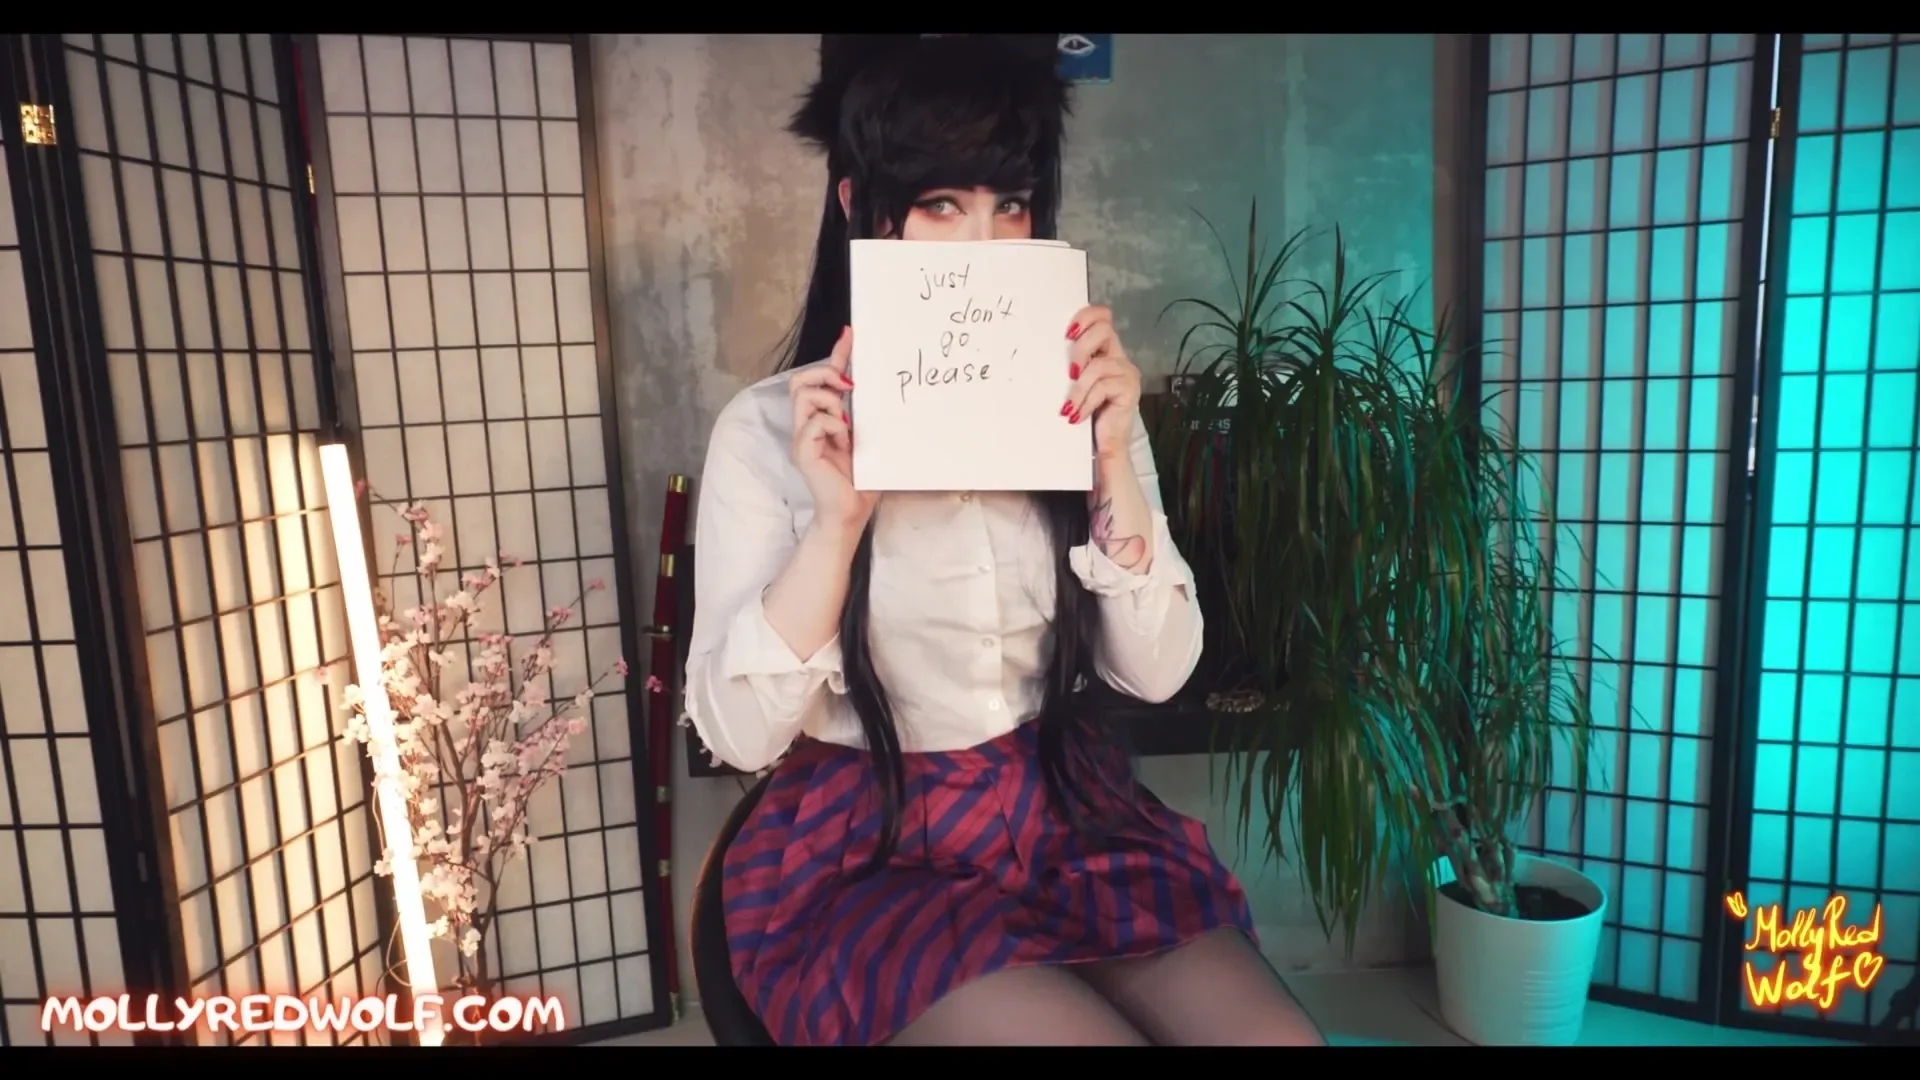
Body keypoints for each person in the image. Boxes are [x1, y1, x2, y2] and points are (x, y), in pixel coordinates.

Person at [683, 33, 1326, 1048]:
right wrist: (838, 524)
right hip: (875, 844)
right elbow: (738, 737)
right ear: (858, 206)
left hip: (1064, 806)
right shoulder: (770, 430)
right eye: (941, 206)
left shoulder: (1086, 411)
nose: (983, 245)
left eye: (1012, 206)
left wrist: (1111, 461)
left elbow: (1158, 673)